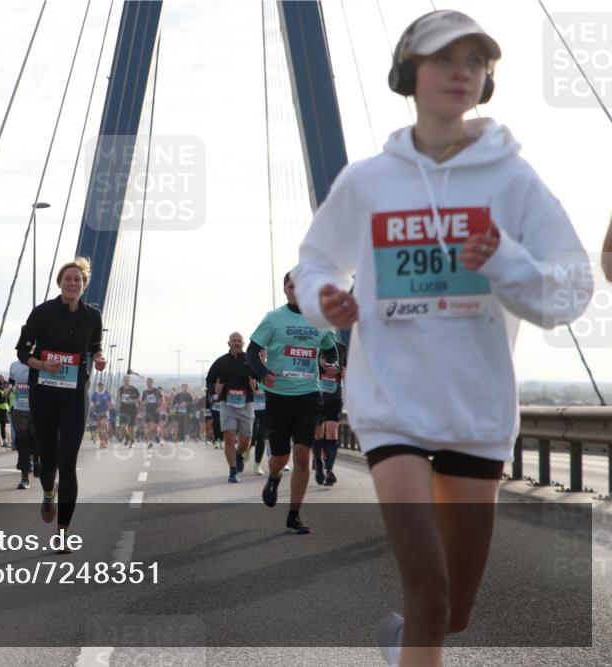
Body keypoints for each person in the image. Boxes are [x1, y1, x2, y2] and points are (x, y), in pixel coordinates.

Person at [291, 11, 593, 666]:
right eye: (444, 59)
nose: (462, 71)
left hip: (477, 412)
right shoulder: (368, 182)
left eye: (475, 61)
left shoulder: (513, 180)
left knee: (453, 609)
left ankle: (403, 642)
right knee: (428, 589)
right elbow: (313, 263)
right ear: (408, 73)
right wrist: (324, 299)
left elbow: (572, 290)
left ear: (487, 80)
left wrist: (505, 260)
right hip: (390, 406)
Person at [15, 258, 106, 538]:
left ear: (84, 285)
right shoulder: (42, 313)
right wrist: (43, 365)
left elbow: (95, 346)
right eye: (68, 278)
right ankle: (48, 492)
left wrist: (99, 357)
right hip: (43, 394)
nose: (72, 283)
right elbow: (22, 352)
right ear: (59, 283)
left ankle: (63, 532)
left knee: (68, 463)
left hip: (75, 395)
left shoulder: (93, 316)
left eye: (78, 279)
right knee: (48, 461)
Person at [247, 273, 337, 535]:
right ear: (285, 290)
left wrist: (330, 364)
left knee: (301, 455)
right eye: (291, 286)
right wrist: (263, 373)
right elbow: (252, 351)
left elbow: (331, 350)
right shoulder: (273, 318)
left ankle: (293, 515)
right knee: (279, 457)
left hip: (309, 396)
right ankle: (273, 478)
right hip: (278, 397)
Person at [206, 332, 257, 483]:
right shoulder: (220, 362)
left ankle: (239, 454)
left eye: (239, 341)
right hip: (227, 404)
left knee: (245, 441)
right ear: (228, 343)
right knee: (229, 436)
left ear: (243, 343)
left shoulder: (251, 360)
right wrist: (215, 389)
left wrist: (255, 385)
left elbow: (260, 379)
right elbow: (209, 380)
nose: (236, 343)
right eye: (233, 341)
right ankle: (233, 471)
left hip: (246, 404)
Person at [314, 340, 346, 486]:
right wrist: (320, 366)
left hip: (334, 396)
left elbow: (345, 367)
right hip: (316, 396)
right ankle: (319, 464)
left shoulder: (341, 348)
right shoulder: (315, 344)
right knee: (318, 434)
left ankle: (329, 471)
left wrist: (343, 372)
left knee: (332, 433)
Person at [9, 358, 37, 488]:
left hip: (36, 410)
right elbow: (11, 382)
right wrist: (7, 390)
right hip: (19, 409)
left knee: (35, 440)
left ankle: (36, 460)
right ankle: (25, 478)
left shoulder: (39, 363)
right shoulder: (14, 365)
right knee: (22, 442)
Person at [117, 375, 140, 447]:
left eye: (127, 380)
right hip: (123, 409)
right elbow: (119, 397)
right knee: (122, 426)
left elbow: (138, 399)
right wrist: (118, 403)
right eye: (125, 380)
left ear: (130, 381)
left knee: (131, 427)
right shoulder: (120, 389)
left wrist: (132, 400)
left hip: (132, 409)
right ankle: (127, 436)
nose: (126, 381)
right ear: (123, 380)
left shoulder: (134, 389)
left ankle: (132, 442)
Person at [0, 375, 13, 448]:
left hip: (4, 410)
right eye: (5, 385)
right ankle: (4, 441)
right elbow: (1, 401)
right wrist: (5, 394)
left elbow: (8, 400)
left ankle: (6, 441)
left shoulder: (2, 391)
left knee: (4, 426)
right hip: (0, 410)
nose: (5, 386)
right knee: (3, 426)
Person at [141, 378, 162, 447]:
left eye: (150, 382)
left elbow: (161, 399)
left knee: (155, 427)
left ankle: (156, 435)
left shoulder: (156, 391)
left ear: (152, 383)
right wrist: (143, 404)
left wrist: (160, 407)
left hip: (155, 411)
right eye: (147, 382)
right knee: (150, 426)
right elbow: (142, 402)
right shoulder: (145, 392)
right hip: (148, 411)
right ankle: (150, 442)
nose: (148, 383)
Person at [91, 382, 112, 448]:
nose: (101, 387)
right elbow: (92, 403)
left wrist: (108, 405)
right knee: (99, 428)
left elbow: (110, 403)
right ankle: (102, 441)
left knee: (104, 427)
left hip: (105, 412)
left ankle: (104, 441)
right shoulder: (95, 394)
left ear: (104, 386)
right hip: (97, 412)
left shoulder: (107, 394)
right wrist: (95, 405)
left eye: (102, 386)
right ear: (98, 386)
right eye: (99, 386)